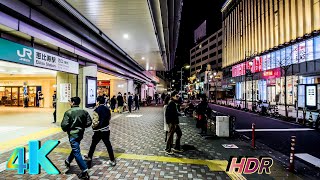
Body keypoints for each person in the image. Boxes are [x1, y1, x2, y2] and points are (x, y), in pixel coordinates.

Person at [61, 97, 92, 179]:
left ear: (73, 102)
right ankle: (68, 161)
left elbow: (64, 126)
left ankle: (84, 171)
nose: (69, 103)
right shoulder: (84, 111)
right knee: (75, 148)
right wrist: (82, 126)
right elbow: (89, 122)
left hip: (73, 134)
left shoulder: (68, 112)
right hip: (80, 134)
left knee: (76, 152)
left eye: (70, 101)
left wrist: (70, 128)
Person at [84, 96, 116, 169]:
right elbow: (109, 118)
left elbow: (95, 121)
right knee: (108, 145)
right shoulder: (107, 109)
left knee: (93, 144)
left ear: (98, 101)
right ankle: (112, 160)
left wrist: (93, 127)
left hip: (98, 131)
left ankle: (89, 157)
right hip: (106, 130)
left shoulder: (97, 110)